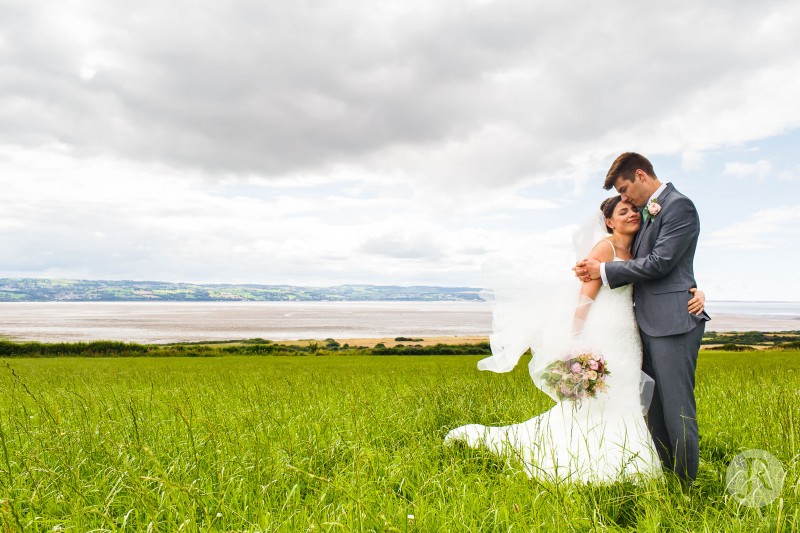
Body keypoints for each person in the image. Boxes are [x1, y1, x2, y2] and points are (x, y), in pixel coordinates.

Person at [445, 191, 706, 484]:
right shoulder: (603, 250)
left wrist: (695, 292)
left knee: (626, 397)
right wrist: (577, 341)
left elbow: (661, 274)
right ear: (609, 221)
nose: (632, 214)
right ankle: (592, 459)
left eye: (634, 210)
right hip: (604, 331)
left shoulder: (638, 251)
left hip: (629, 336)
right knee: (601, 400)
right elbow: (584, 298)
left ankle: (632, 459)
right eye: (623, 212)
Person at [573, 152, 710, 483]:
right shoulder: (646, 216)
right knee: (654, 410)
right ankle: (664, 474)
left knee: (677, 409)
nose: (624, 199)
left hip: (672, 323)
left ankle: (685, 483)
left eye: (623, 190)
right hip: (643, 325)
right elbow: (656, 264)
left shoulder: (679, 206)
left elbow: (663, 262)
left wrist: (603, 270)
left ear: (640, 175)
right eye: (620, 198)